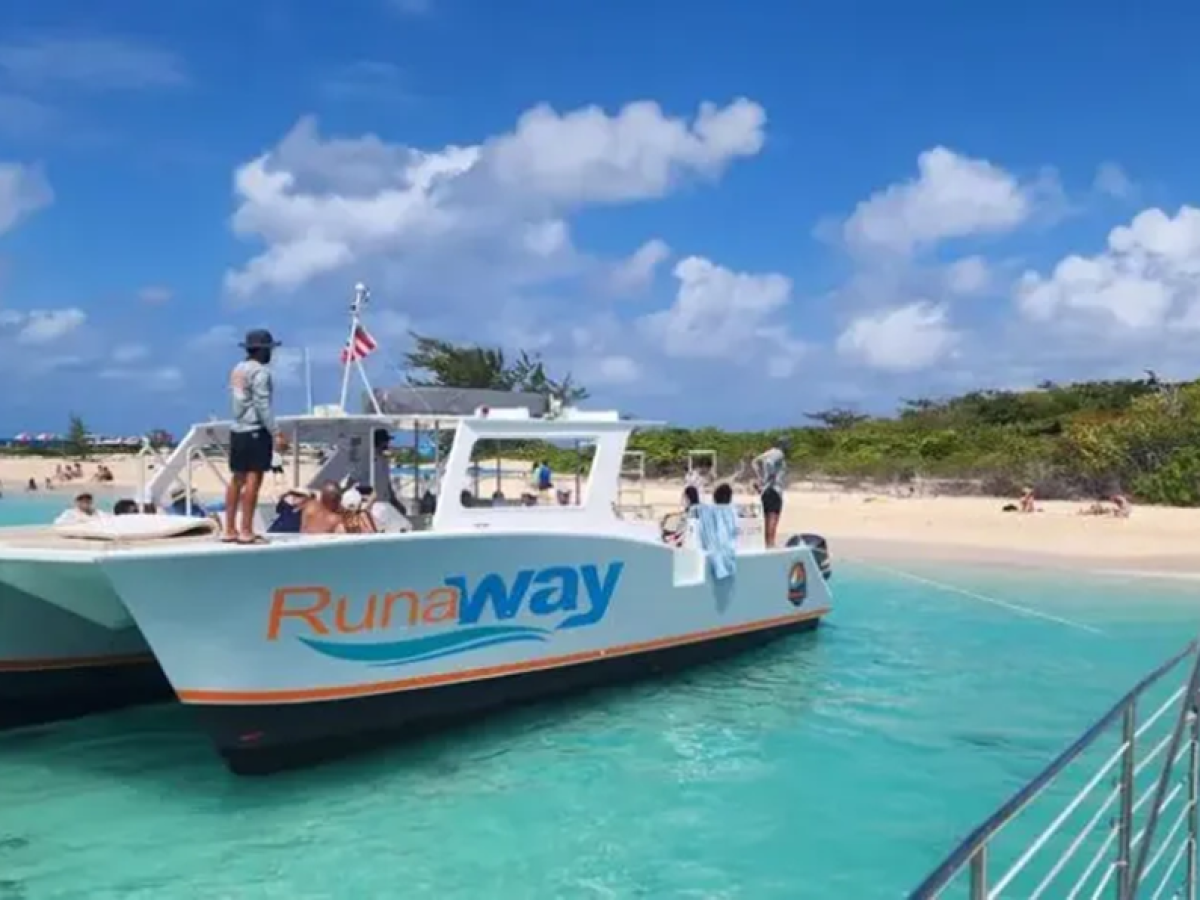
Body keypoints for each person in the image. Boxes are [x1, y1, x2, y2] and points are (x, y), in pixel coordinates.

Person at [223, 329, 286, 545]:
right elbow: (262, 405)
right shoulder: (261, 372)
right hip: (255, 430)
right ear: (261, 351)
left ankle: (229, 529)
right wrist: (276, 432)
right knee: (253, 479)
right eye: (269, 350)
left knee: (236, 479)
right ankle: (246, 531)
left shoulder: (237, 369)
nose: (271, 355)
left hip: (237, 429)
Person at [752, 438, 789, 548]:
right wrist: (771, 476)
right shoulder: (779, 453)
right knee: (773, 516)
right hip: (774, 489)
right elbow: (769, 463)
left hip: (765, 491)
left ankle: (768, 544)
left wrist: (760, 479)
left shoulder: (768, 452)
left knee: (767, 517)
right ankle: (771, 544)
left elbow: (754, 462)